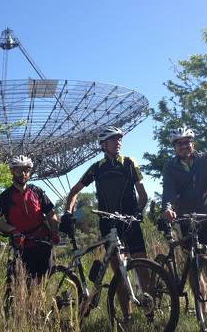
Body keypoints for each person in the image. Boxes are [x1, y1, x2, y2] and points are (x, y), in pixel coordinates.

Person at [64, 126, 149, 313]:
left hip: (130, 221)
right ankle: (126, 315)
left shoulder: (129, 163)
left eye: (119, 138)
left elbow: (142, 194)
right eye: (113, 139)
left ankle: (150, 310)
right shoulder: (96, 168)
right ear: (104, 145)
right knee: (118, 271)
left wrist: (139, 211)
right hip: (108, 223)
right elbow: (74, 192)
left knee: (143, 267)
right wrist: (67, 213)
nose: (118, 141)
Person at [161, 126, 207, 272]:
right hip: (185, 221)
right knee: (192, 266)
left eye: (187, 142)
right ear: (174, 147)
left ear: (193, 143)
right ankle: (199, 295)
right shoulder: (170, 167)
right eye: (179, 143)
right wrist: (167, 209)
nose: (184, 146)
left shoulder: (206, 159)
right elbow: (169, 191)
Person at [0, 155, 59, 280]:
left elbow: (50, 213)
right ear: (12, 171)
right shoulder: (6, 196)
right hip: (22, 246)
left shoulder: (37, 192)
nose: (23, 173)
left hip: (43, 242)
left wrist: (54, 231)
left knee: (45, 280)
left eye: (26, 170)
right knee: (22, 284)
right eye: (19, 170)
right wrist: (13, 231)